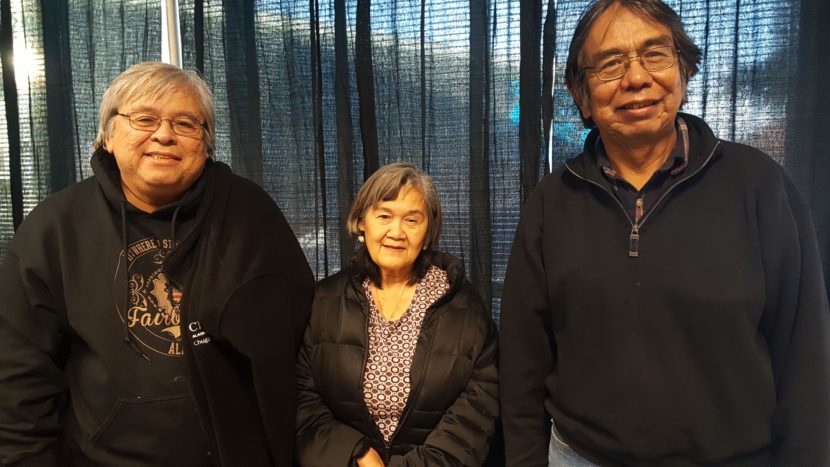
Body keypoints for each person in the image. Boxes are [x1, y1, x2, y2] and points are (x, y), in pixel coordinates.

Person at [499, 1, 830, 466]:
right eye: (611, 63)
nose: (636, 78)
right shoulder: (551, 202)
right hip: (578, 457)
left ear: (686, 69)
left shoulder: (760, 186)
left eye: (655, 54)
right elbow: (522, 362)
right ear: (581, 93)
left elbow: (805, 360)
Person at [0, 62, 314, 466]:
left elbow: (301, 340)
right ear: (108, 136)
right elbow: (19, 378)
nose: (164, 135)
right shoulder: (55, 229)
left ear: (205, 142)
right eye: (144, 118)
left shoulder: (249, 215)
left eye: (185, 124)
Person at [295, 162, 499, 466]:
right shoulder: (324, 301)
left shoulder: (464, 307)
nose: (396, 232)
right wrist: (356, 454)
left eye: (412, 220)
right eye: (384, 216)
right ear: (362, 222)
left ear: (428, 230)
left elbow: (478, 410)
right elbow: (301, 397)